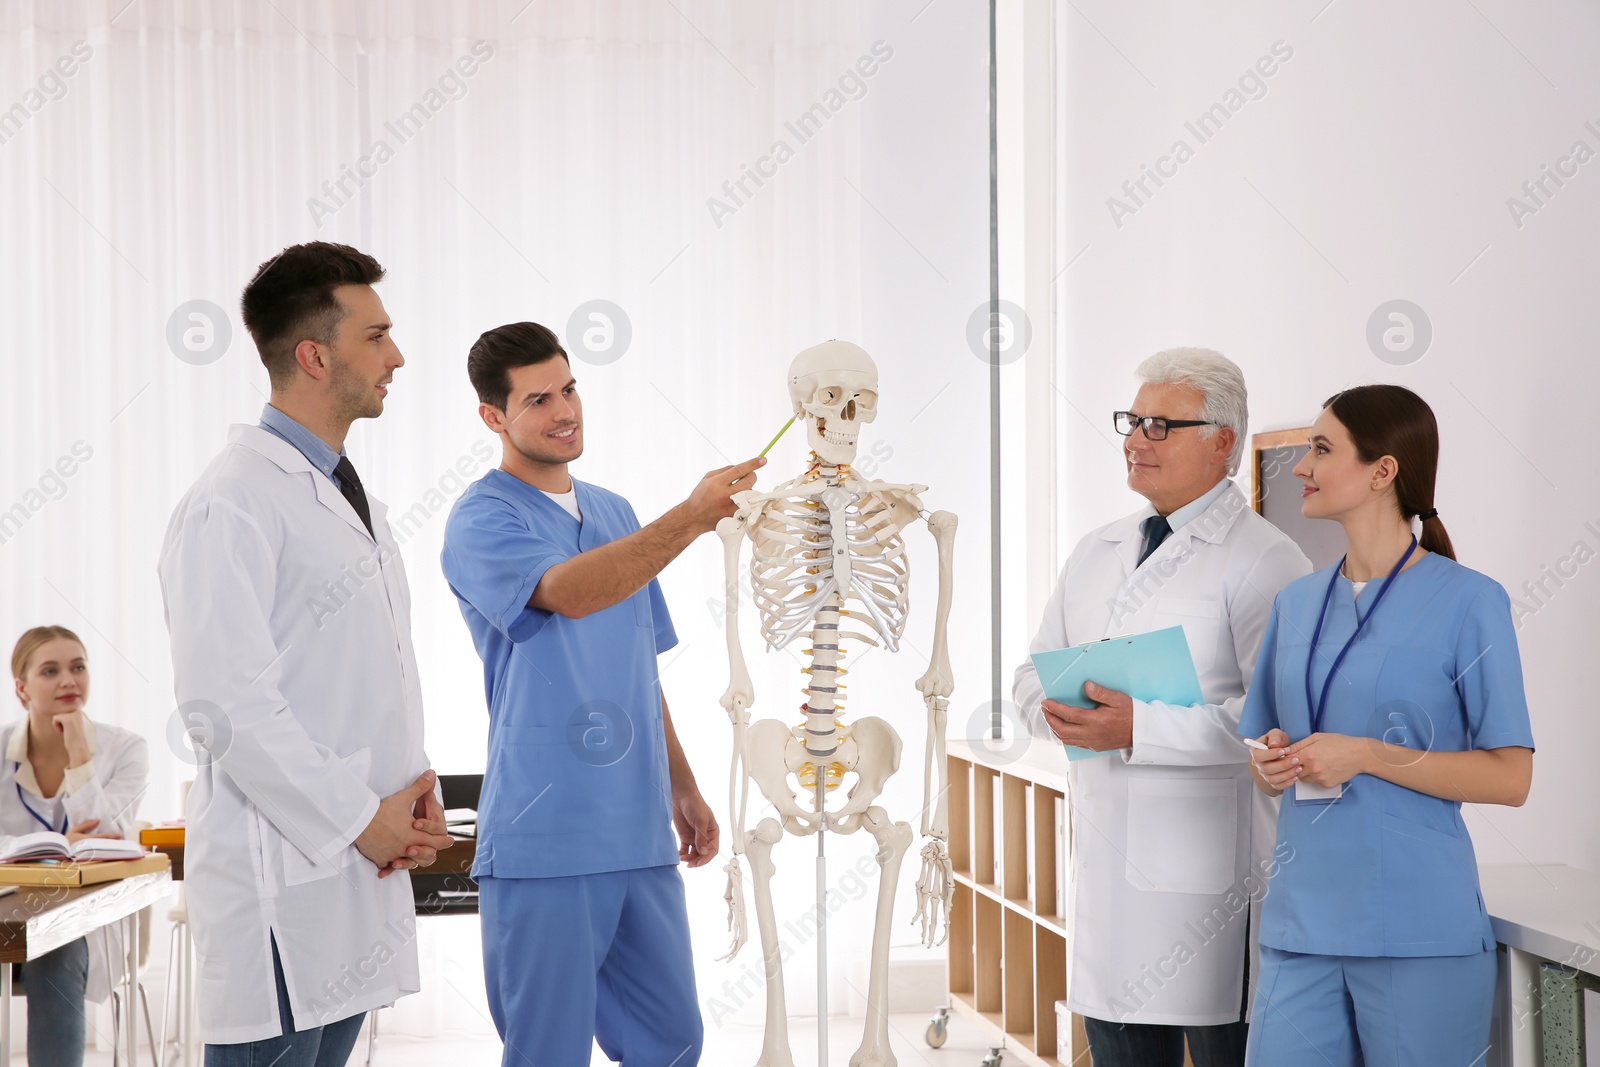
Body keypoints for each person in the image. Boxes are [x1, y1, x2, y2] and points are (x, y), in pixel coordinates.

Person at [158, 241, 453, 1067]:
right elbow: (225, 708)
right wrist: (364, 817)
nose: (397, 356)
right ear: (314, 355)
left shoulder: (342, 490)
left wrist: (409, 795)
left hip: (350, 876)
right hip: (281, 891)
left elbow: (362, 670)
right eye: (377, 336)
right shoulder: (232, 501)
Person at [439, 322, 763, 1066]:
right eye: (538, 399)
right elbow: (573, 593)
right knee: (548, 1051)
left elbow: (639, 663)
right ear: (494, 418)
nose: (565, 410)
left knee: (673, 1041)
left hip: (637, 831)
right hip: (546, 838)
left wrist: (681, 786)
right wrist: (689, 516)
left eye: (570, 387)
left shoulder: (615, 513)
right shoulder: (482, 517)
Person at [1013, 348, 1311, 1067]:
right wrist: (1053, 712)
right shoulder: (1097, 548)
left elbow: (1276, 728)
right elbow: (1031, 672)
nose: (1134, 439)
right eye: (1132, 420)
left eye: (1159, 425)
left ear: (1222, 443)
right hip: (1106, 902)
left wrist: (1138, 726)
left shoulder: (1266, 560)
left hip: (1208, 901)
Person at [1240, 384, 1534, 1066]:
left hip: (1418, 932)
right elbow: (1260, 753)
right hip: (1299, 927)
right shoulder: (1295, 602)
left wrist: (1368, 754)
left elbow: (1512, 777)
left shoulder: (1470, 601)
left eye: (1320, 448)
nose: (1302, 467)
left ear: (1383, 470)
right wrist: (1272, 760)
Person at [3, 626, 148, 1067]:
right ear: (22, 687)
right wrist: (65, 843)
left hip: (83, 923)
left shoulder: (126, 749)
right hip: (8, 910)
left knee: (55, 946)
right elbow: (83, 840)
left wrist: (81, 758)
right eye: (51, 670)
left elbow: (106, 842)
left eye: (78, 667)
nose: (69, 680)